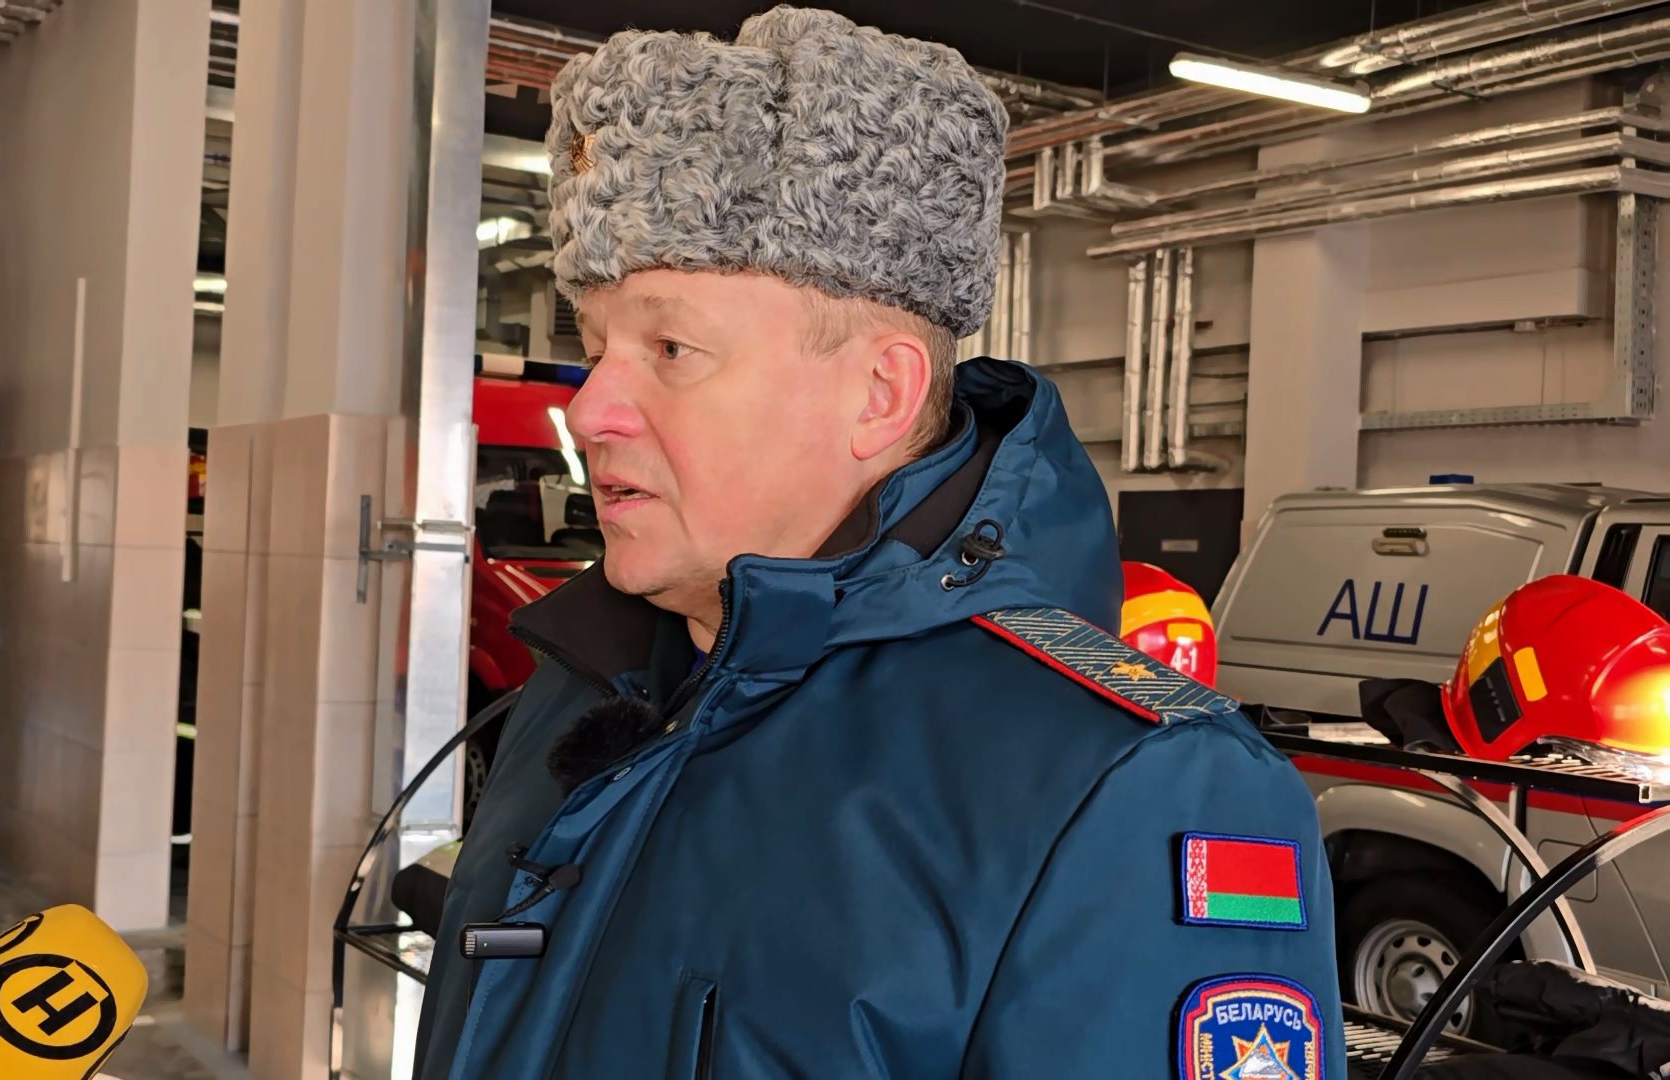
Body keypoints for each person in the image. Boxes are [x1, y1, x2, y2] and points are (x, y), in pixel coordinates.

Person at [415, 8, 1344, 1077]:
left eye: (671, 348)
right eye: (595, 348)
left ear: (879, 393)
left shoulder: (1139, 788)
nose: (591, 409)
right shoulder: (590, 688)